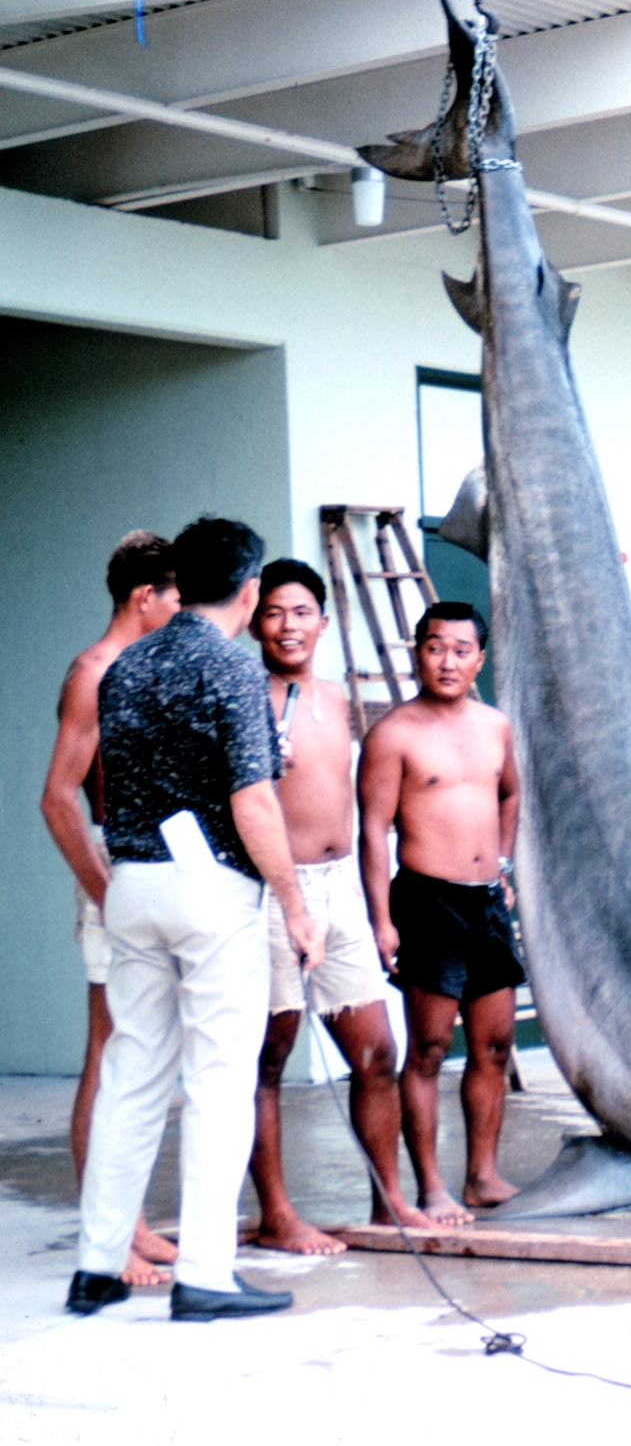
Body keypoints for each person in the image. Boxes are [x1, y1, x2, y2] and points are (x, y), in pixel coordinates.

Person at [66, 517, 325, 1321]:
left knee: (131, 1076)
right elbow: (251, 798)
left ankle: (97, 1266)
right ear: (249, 590)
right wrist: (293, 900)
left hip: (131, 880)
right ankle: (206, 1275)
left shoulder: (125, 666)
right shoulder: (235, 671)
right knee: (218, 1081)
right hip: (211, 887)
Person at [248, 558, 433, 1254]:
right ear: (254, 622)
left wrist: (379, 909)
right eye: (273, 612)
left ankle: (388, 1203)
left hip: (339, 891)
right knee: (267, 1059)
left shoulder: (337, 699)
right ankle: (277, 1215)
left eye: (300, 612)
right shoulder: (241, 694)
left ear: (323, 622)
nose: (287, 625)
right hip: (270, 890)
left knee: (378, 1052)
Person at [40, 531, 182, 1287]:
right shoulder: (94, 673)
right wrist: (107, 893)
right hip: (116, 872)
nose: (182, 612)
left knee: (146, 1055)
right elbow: (58, 797)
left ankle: (129, 1220)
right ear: (144, 598)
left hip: (155, 870)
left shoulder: (146, 669)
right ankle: (108, 1236)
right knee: (110, 1052)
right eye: (175, 598)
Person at [359, 601, 522, 1223]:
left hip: (486, 902)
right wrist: (381, 919)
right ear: (416, 652)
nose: (446, 661)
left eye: (460, 649)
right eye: (434, 647)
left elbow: (509, 795)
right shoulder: (394, 733)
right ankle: (430, 1188)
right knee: (428, 1048)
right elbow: (372, 831)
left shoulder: (496, 726)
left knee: (495, 1046)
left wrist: (503, 868)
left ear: (480, 658)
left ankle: (481, 1175)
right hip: (427, 900)